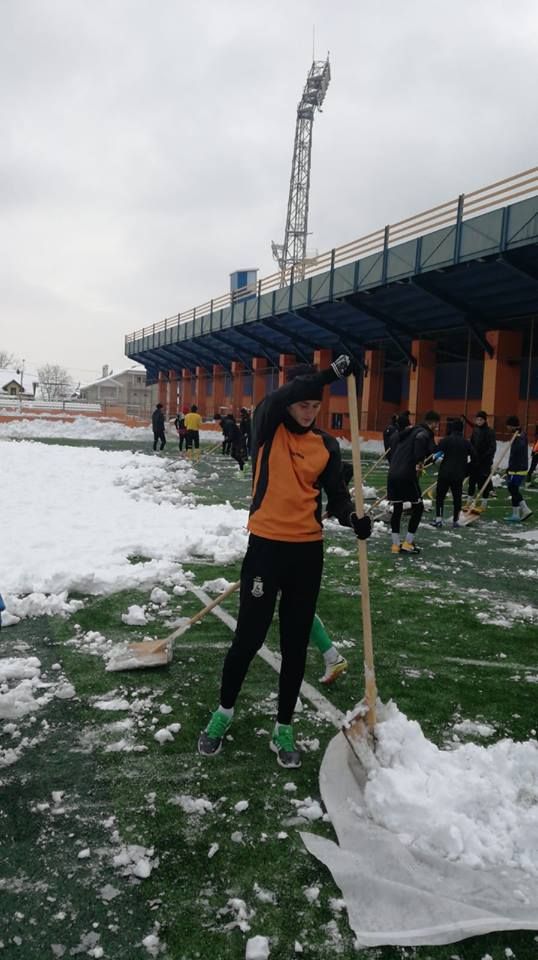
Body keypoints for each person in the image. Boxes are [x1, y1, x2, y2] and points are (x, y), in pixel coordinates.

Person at [197, 356, 372, 769]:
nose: (309, 412)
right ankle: (223, 712)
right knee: (249, 638)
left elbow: (337, 496)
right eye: (303, 404)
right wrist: (332, 372)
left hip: (307, 552)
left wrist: (353, 519)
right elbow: (282, 396)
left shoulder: (326, 446)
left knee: (295, 643)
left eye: (315, 405)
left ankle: (284, 726)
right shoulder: (267, 423)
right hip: (265, 548)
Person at [387, 410, 440, 554]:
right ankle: (408, 542)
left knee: (397, 507)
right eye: (437, 425)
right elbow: (423, 446)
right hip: (407, 475)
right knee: (418, 507)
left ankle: (395, 544)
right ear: (433, 423)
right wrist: (420, 459)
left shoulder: (408, 432)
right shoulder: (423, 433)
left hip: (392, 474)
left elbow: (393, 439)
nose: (437, 428)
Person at [432, 418, 475, 528]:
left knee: (440, 496)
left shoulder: (445, 440)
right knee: (457, 498)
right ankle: (456, 520)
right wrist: (467, 470)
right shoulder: (466, 443)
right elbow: (475, 457)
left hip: (445, 473)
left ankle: (438, 519)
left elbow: (435, 454)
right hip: (458, 474)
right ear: (462, 430)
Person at [467, 411, 496, 510]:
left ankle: (484, 503)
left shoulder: (490, 432)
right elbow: (471, 444)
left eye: (481, 420)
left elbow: (492, 448)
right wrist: (471, 454)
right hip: (474, 461)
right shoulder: (475, 430)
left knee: (483, 483)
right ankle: (469, 501)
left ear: (485, 420)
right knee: (472, 482)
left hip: (484, 462)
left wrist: (485, 457)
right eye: (477, 419)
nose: (479, 421)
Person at [505, 416, 532, 522]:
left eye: (508, 426)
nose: (507, 428)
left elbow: (519, 448)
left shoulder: (520, 436)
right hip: (514, 467)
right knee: (512, 488)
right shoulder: (518, 435)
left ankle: (525, 509)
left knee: (513, 489)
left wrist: (516, 439)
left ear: (512, 426)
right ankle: (515, 514)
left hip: (519, 468)